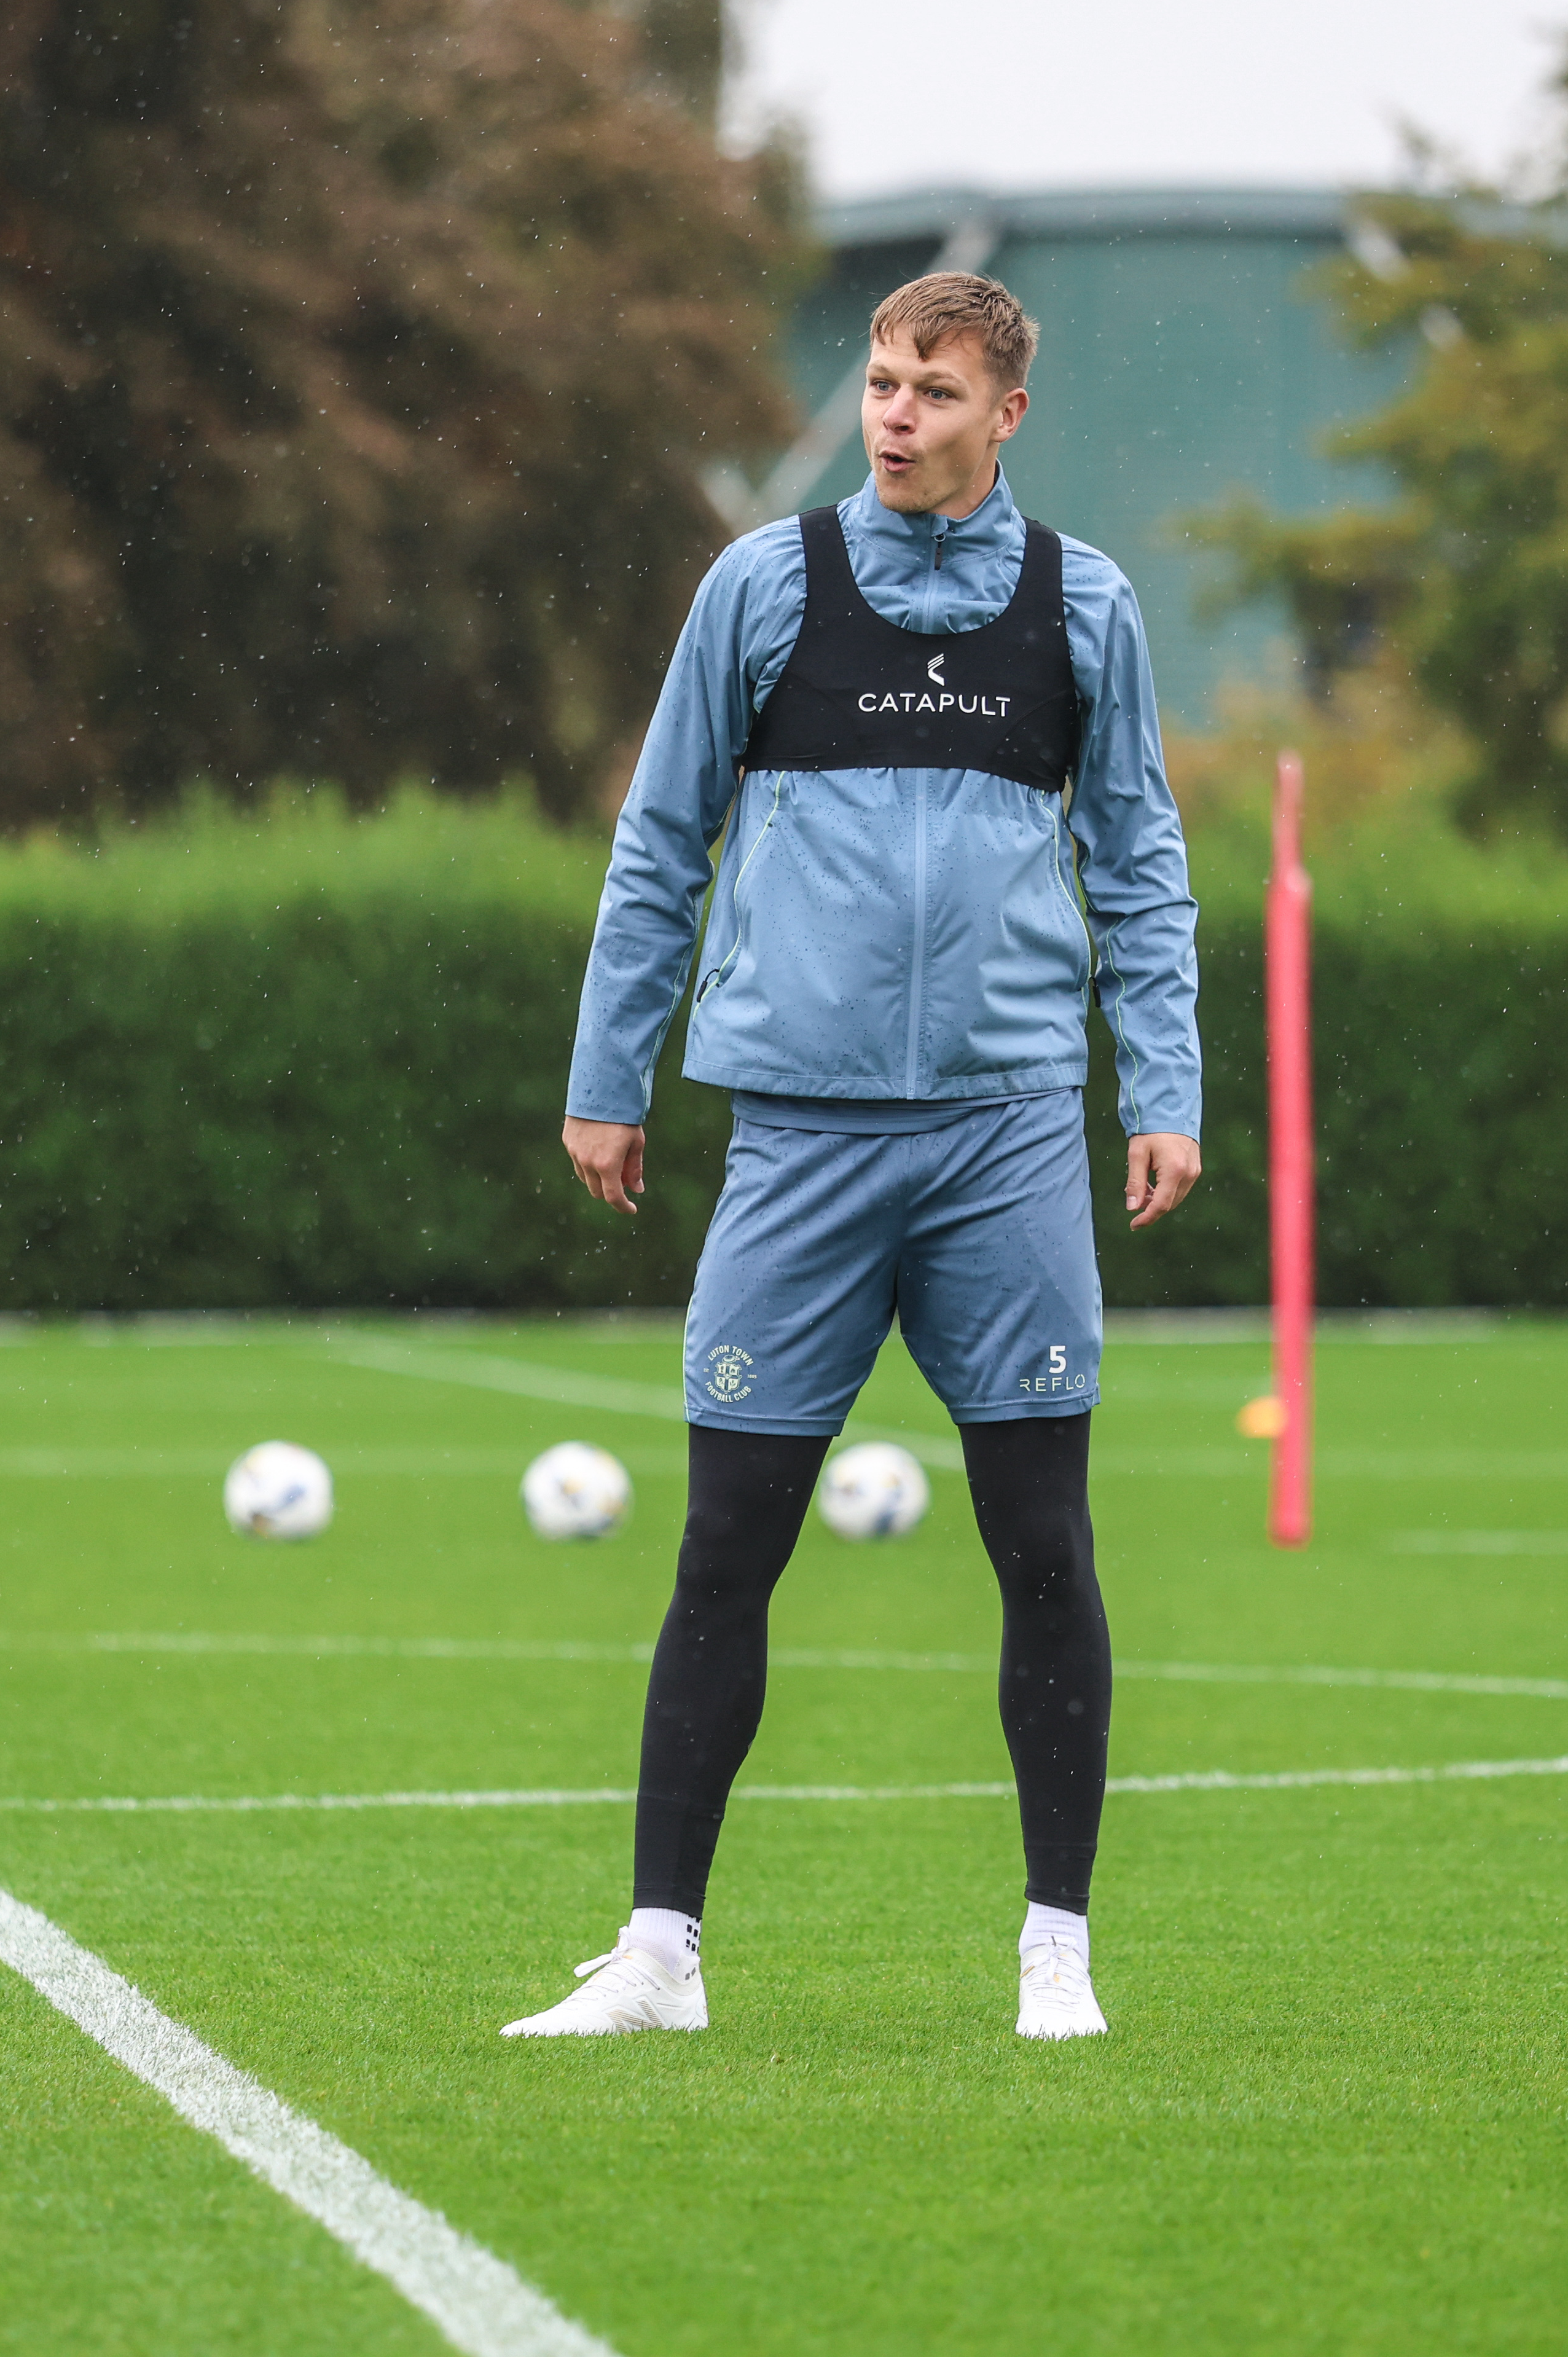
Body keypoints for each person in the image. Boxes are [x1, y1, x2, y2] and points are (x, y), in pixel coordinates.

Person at [505, 272, 1200, 2045]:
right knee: (725, 1549)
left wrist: (1161, 1089)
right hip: (797, 1140)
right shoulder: (764, 588)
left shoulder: (1084, 610)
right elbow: (661, 841)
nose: (896, 414)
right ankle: (659, 1955)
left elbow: (1140, 866)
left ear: (1006, 417)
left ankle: (1060, 1953)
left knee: (1044, 1541)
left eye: (935, 392)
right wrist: (612, 1077)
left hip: (1008, 1139)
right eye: (882, 382)